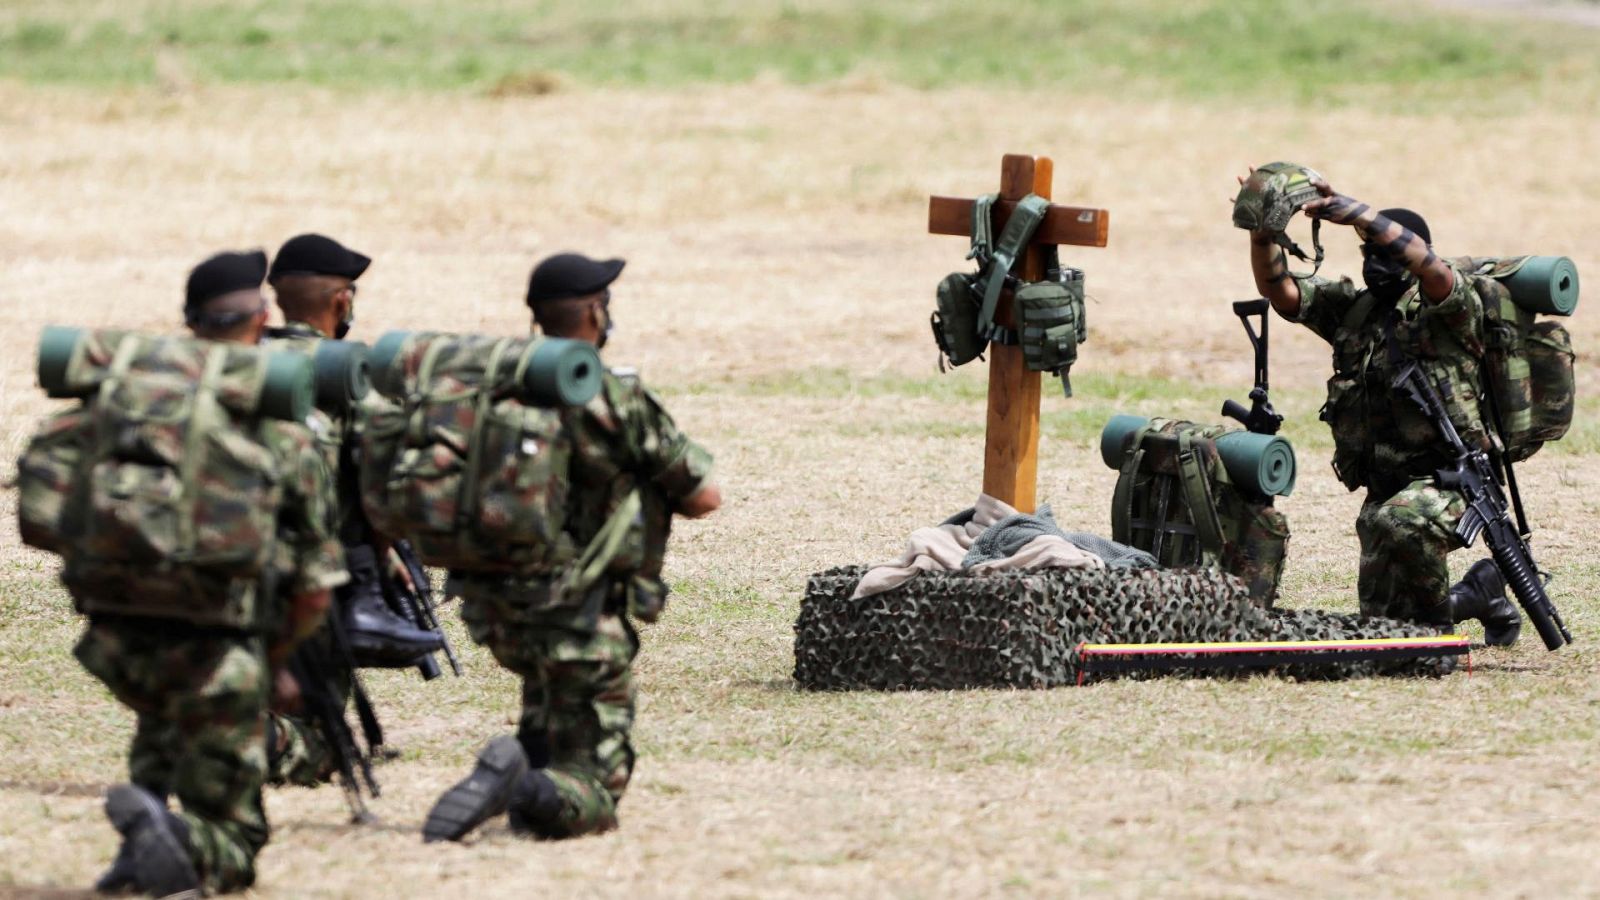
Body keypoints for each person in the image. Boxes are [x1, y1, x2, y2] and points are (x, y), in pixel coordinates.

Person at [423, 252, 722, 842]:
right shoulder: (608, 396)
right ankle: (523, 789)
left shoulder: (493, 388)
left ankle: (528, 775)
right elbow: (704, 496)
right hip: (578, 616)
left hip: (496, 611)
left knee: (549, 707)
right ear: (592, 312)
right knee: (596, 794)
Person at [84, 250, 347, 894]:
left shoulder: (126, 409)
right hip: (224, 649)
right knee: (235, 842)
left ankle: (142, 842)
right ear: (262, 319)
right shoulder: (283, 430)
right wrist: (275, 660)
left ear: (191, 322)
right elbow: (315, 583)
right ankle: (183, 841)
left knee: (159, 736)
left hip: (123, 640)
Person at [1242, 169, 1520, 643]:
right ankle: (1477, 595)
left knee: (1398, 523)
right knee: (1384, 626)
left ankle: (1440, 635)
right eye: (1368, 254)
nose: (1376, 264)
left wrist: (1358, 213)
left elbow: (1433, 269)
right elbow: (1279, 289)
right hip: (1387, 490)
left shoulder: (1449, 308)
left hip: (1453, 482)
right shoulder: (1357, 311)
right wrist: (1262, 230)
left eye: (1387, 254)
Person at [261, 233, 443, 789]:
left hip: (225, 553)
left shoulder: (238, 358)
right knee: (321, 743)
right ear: (341, 300)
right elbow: (382, 481)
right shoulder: (343, 373)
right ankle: (252, 740)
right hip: (314, 572)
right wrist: (385, 553)